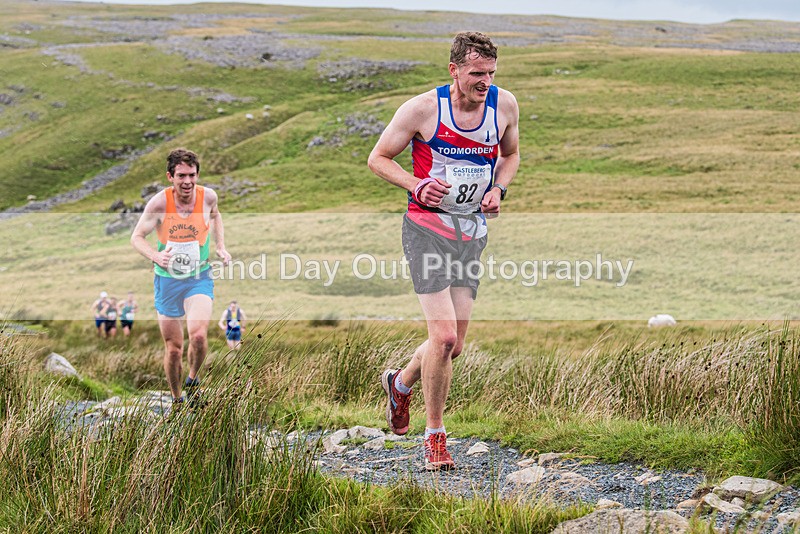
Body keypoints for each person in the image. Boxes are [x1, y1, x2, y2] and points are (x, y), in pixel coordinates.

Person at [367, 31, 519, 471]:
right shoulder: (421, 110)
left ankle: (399, 382)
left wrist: (498, 189)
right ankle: (435, 438)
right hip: (426, 230)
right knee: (445, 336)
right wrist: (416, 184)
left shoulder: (504, 105)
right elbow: (378, 158)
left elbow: (511, 155)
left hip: (470, 234)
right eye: (476, 73)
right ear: (453, 70)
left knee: (452, 347)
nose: (485, 81)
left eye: (491, 73)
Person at [131, 148, 231, 409]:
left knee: (198, 336)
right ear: (170, 176)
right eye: (181, 176)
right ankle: (176, 400)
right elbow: (136, 237)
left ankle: (193, 380)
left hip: (198, 276)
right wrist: (156, 256)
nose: (187, 181)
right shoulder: (159, 204)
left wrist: (220, 245)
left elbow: (216, 215)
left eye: (192, 175)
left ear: (198, 175)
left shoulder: (208, 197)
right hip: (167, 281)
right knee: (174, 348)